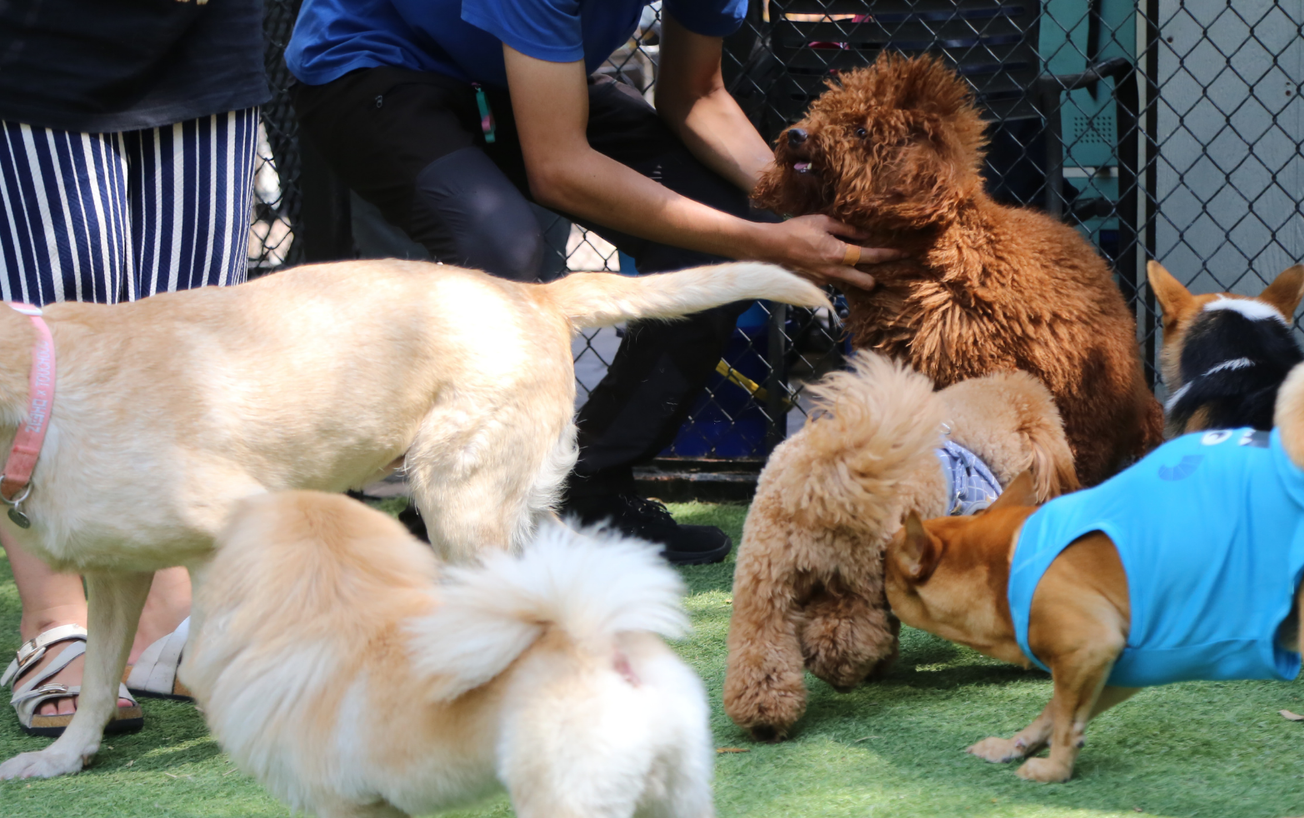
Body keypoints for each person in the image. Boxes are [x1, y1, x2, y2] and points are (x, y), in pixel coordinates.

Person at [286, 0, 898, 564]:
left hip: (521, 76)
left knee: (716, 231)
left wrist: (786, 206)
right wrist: (765, 243)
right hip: (375, 66)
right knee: (500, 247)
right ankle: (458, 508)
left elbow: (699, 94)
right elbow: (559, 168)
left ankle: (591, 488)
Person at [0, 0, 270, 735]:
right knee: (49, 349)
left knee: (189, 347)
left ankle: (162, 622)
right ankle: (54, 620)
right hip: (34, 45)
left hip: (204, 40)